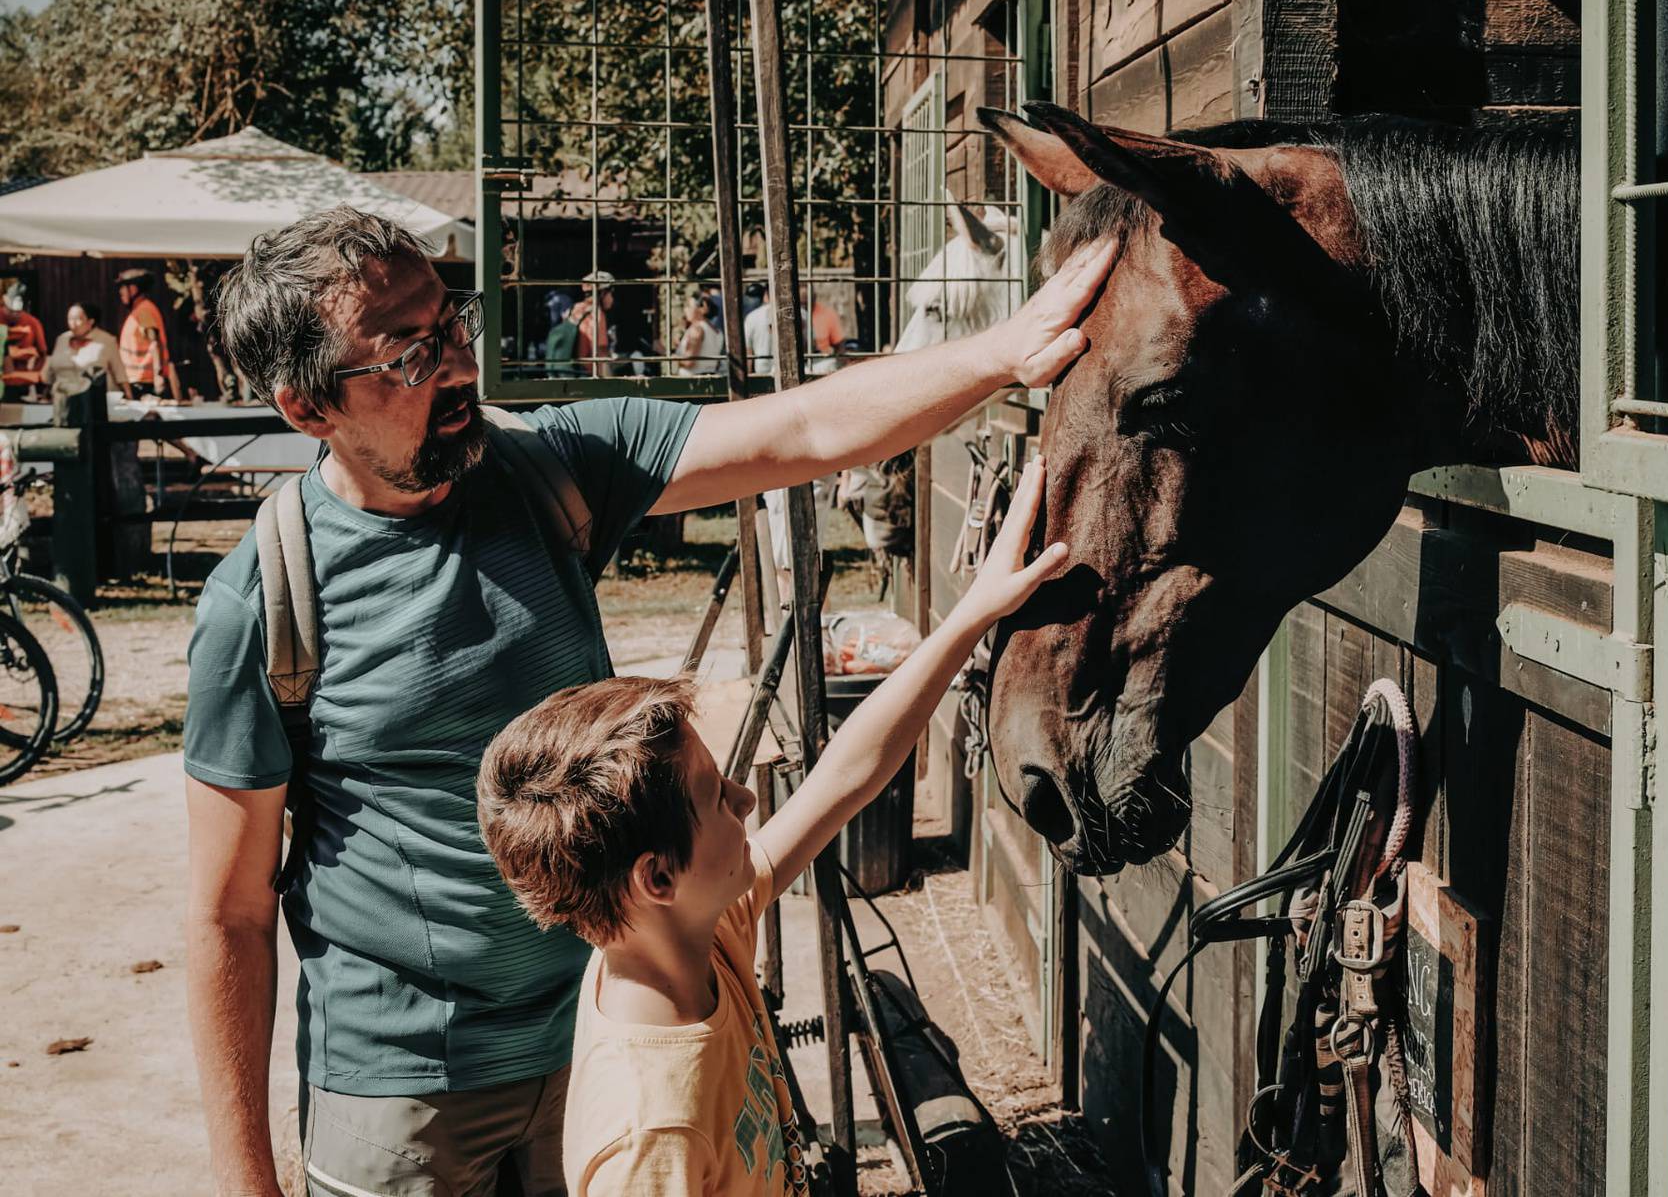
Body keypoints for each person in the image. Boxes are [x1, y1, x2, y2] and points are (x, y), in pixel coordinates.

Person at [182, 205, 1115, 1197]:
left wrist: (1006, 354)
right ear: (307, 407)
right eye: (408, 356)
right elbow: (229, 916)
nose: (457, 367)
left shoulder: (547, 472)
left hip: (605, 1027)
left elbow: (804, 426)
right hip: (407, 1094)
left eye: (453, 327)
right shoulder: (264, 604)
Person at [476, 459, 1062, 1196]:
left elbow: (844, 778)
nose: (746, 799)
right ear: (657, 876)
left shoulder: (692, 936)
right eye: (716, 796)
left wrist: (974, 609)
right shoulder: (649, 1133)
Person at [48, 301, 134, 400]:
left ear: (91, 321)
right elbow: (51, 372)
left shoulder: (106, 341)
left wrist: (129, 397)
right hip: (62, 399)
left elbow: (119, 372)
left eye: (78, 319)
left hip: (95, 400)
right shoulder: (62, 339)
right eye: (70, 319)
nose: (73, 324)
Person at [117, 268, 181, 399]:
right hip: (138, 380)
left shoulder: (144, 310)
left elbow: (155, 343)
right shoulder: (139, 310)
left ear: (133, 289)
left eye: (123, 287)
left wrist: (158, 376)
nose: (120, 292)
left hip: (144, 382)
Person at [0, 301, 48, 399]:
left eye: (17, 312)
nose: (14, 314)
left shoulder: (32, 322)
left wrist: (34, 374)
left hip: (20, 383)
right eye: (10, 311)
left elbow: (42, 353)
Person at [675, 290, 724, 377]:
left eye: (689, 306)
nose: (686, 309)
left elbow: (689, 361)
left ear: (702, 308)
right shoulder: (717, 331)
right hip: (709, 378)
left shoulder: (696, 329)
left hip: (691, 381)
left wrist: (669, 356)